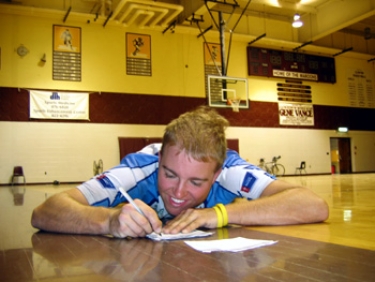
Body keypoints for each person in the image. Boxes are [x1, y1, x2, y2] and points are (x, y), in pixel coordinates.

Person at [31, 106, 329, 238]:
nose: (178, 192)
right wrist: (107, 221)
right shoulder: (140, 166)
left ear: (216, 175)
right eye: (170, 174)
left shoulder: (231, 169)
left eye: (197, 181)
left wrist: (219, 215)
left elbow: (313, 205)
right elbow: (45, 211)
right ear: (160, 159)